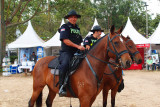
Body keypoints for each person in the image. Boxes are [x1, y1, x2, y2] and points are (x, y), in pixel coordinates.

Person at [58, 10, 85, 96]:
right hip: (67, 52)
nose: (73, 19)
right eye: (72, 17)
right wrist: (77, 47)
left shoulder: (77, 28)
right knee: (65, 64)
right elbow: (65, 40)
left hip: (77, 52)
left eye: (75, 17)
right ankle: (62, 86)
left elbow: (79, 41)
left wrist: (81, 48)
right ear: (68, 18)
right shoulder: (65, 27)